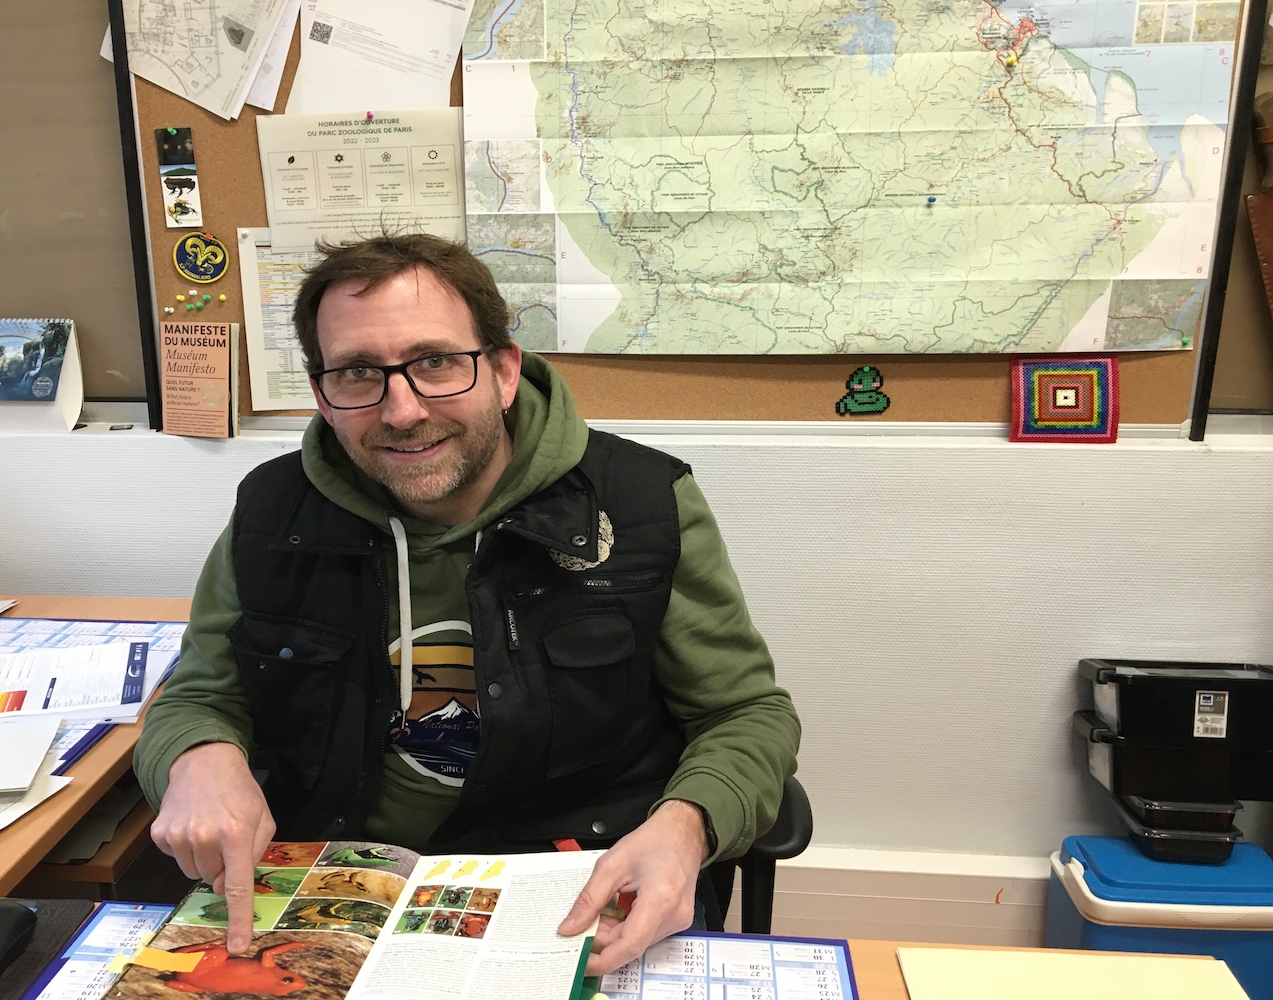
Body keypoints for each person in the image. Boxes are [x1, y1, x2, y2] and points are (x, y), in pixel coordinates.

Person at [134, 233, 801, 975]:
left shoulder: (641, 504)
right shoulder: (272, 512)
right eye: (358, 373)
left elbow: (745, 714)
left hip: (570, 875)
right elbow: (197, 693)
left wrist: (689, 825)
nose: (402, 410)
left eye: (436, 363)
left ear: (506, 370)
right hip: (335, 885)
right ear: (323, 396)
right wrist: (197, 756)